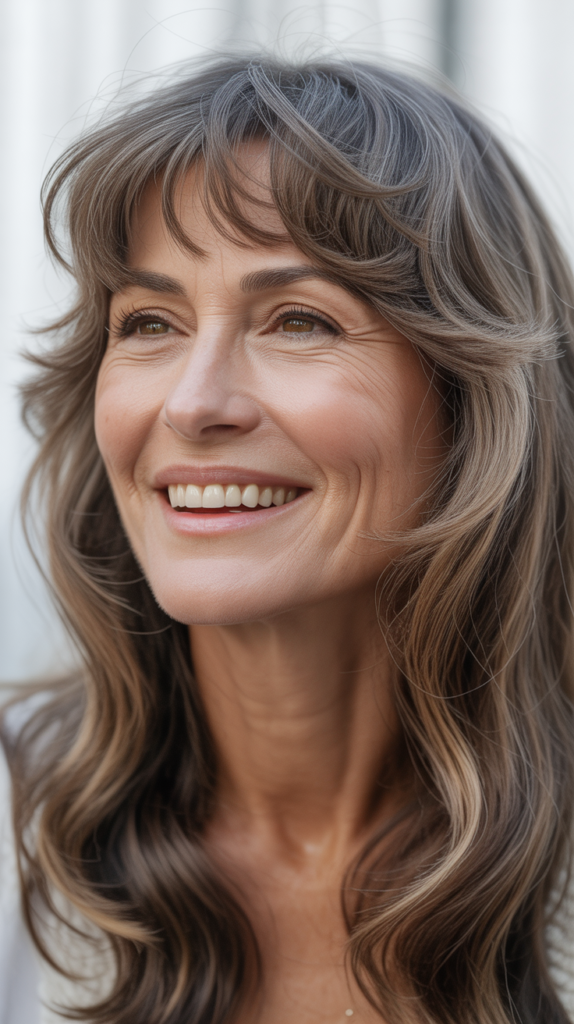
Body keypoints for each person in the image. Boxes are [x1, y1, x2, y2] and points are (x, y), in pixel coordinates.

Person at [2, 52, 574, 1024]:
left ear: (472, 404)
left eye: (299, 320)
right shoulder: (19, 839)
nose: (192, 403)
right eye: (147, 322)